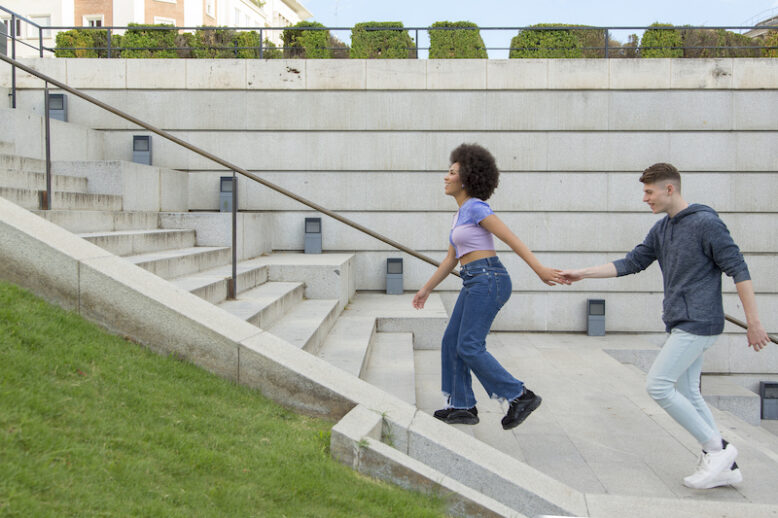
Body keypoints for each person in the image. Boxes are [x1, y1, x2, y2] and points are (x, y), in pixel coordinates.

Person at [560, 162, 770, 489]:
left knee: (658, 385)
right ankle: (726, 467)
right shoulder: (662, 229)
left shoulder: (707, 224)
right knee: (688, 392)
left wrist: (754, 323)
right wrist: (582, 272)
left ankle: (718, 451)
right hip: (680, 321)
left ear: (669, 189)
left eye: (649, 191)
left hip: (699, 322)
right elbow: (631, 263)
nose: (645, 198)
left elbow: (739, 270)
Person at [412, 143, 567, 430]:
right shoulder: (459, 215)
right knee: (451, 341)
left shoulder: (475, 207)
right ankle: (461, 406)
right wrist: (426, 289)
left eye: (451, 172)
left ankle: (519, 395)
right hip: (474, 279)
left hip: (489, 279)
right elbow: (450, 260)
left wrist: (539, 270)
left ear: (467, 178)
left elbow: (511, 238)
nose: (445, 177)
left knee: (469, 345)